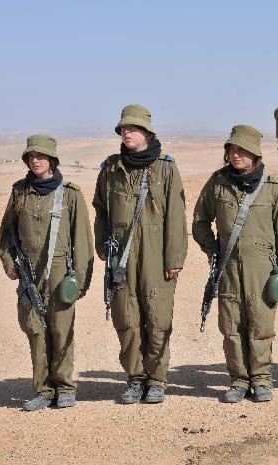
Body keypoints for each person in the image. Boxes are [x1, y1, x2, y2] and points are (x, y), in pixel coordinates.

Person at [192, 125, 278, 403]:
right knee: (231, 326)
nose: (235, 154)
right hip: (228, 266)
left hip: (262, 268)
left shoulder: (273, 188)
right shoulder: (217, 183)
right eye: (231, 149)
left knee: (261, 326)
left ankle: (261, 379)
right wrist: (212, 249)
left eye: (241, 150)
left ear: (254, 153)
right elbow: (200, 221)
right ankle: (238, 380)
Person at [93, 104, 188, 404]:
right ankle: (135, 379)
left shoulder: (166, 167)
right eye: (123, 128)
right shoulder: (110, 169)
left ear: (147, 132)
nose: (126, 133)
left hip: (157, 256)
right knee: (128, 320)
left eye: (132, 128)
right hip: (121, 257)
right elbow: (101, 211)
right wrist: (103, 249)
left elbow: (176, 215)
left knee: (157, 319)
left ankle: (157, 380)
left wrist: (174, 259)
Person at [0, 135, 94, 411]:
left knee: (61, 329)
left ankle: (65, 387)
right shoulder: (19, 192)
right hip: (29, 272)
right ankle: (43, 390)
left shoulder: (70, 193)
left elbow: (83, 240)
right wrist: (8, 262)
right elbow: (6, 234)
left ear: (52, 159)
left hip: (61, 271)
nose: (35, 161)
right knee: (35, 329)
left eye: (40, 156)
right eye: (31, 157)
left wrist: (82, 280)